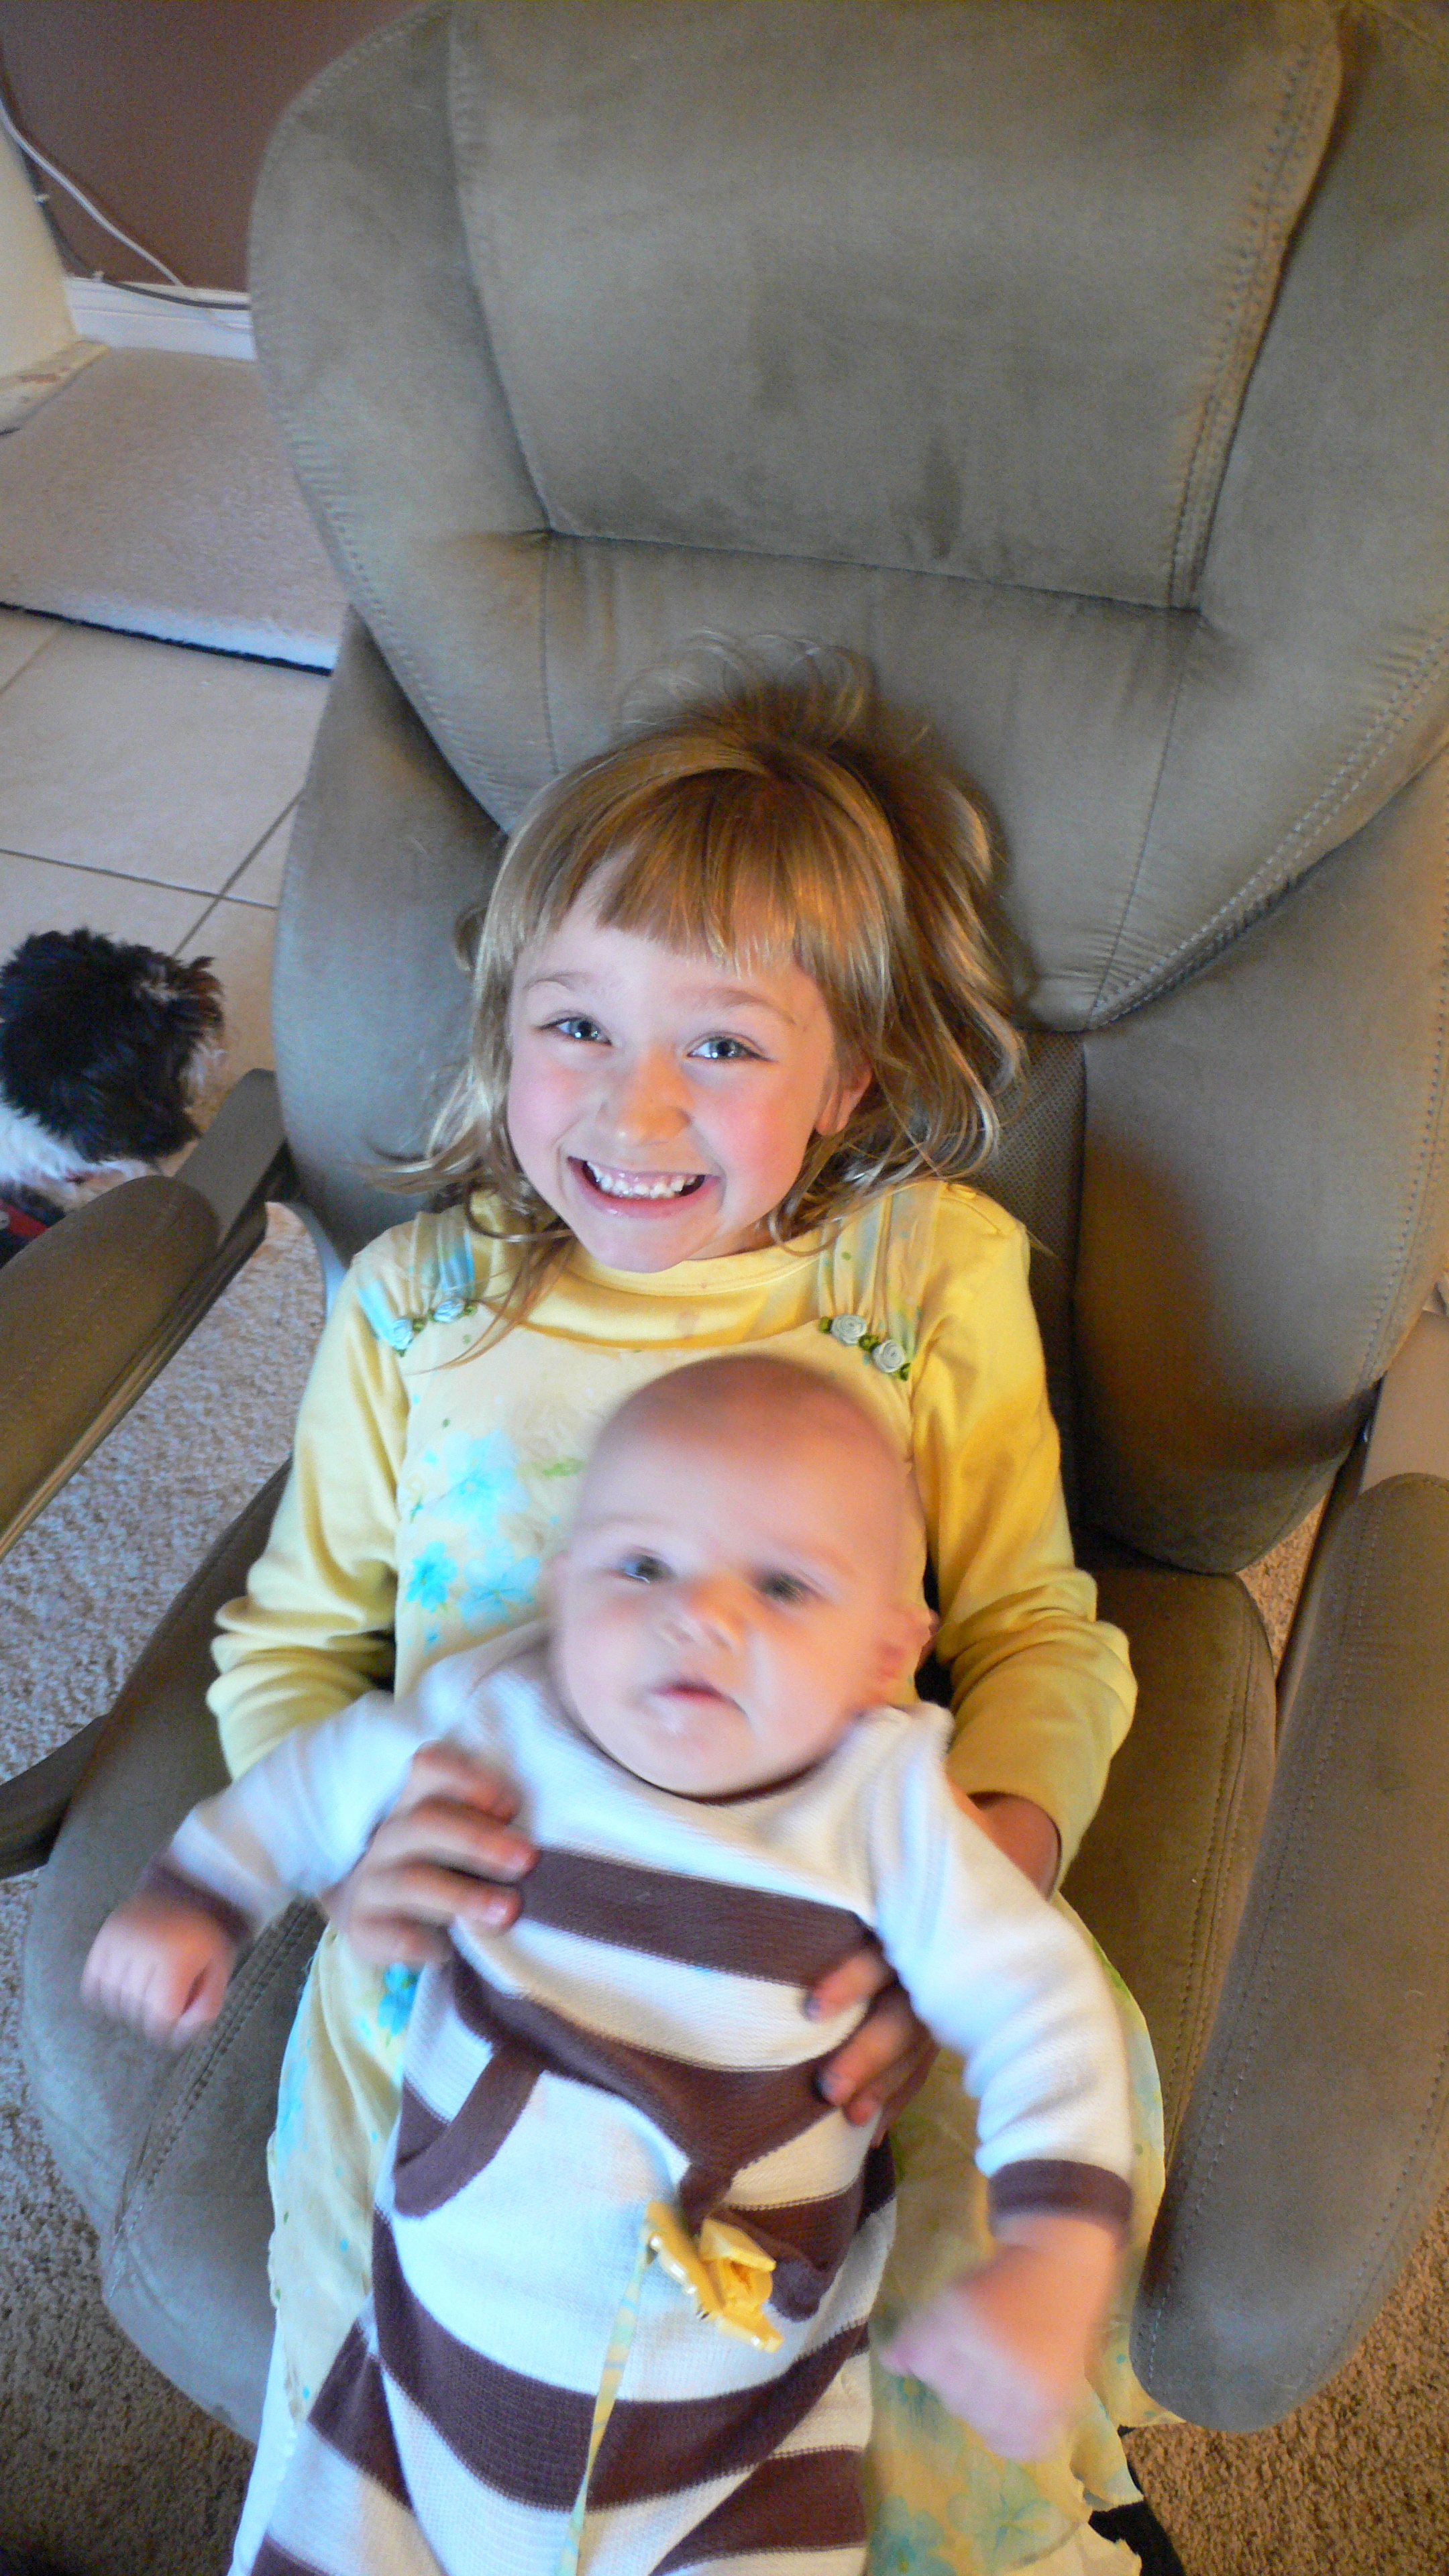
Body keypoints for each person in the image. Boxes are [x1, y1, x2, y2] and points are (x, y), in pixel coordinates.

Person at [189, 645, 1161, 2572]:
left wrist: (986, 1868)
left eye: (722, 1045)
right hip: (475, 1973)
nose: (635, 1104)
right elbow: (288, 1645)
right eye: (576, 1024)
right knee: (393, 2441)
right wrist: (360, 1856)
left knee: (918, 2451)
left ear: (849, 1076)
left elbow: (1042, 1629)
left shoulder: (920, 1284)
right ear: (505, 1035)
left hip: (837, 1968)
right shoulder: (421, 1311)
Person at [86, 1359, 1134, 2576]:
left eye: (785, 1586)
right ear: (563, 1583)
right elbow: (318, 1778)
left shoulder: (888, 1812)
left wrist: (1057, 2250)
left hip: (737, 2456)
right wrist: (196, 1898)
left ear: (885, 1652)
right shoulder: (504, 1715)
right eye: (642, 1566)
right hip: (421, 2406)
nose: (701, 1616)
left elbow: (1041, 2005)